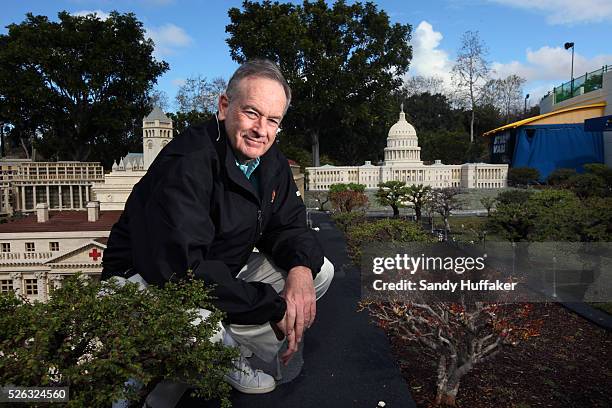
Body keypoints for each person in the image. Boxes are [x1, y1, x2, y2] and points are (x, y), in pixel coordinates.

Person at [101, 59, 334, 398]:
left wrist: (299, 269)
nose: (261, 130)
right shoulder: (187, 162)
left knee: (318, 272)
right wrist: (274, 307)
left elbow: (290, 223)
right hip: (145, 280)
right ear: (225, 106)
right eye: (252, 113)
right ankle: (218, 359)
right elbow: (183, 271)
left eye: (273, 120)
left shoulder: (269, 159)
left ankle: (224, 350)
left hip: (216, 268)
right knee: (199, 326)